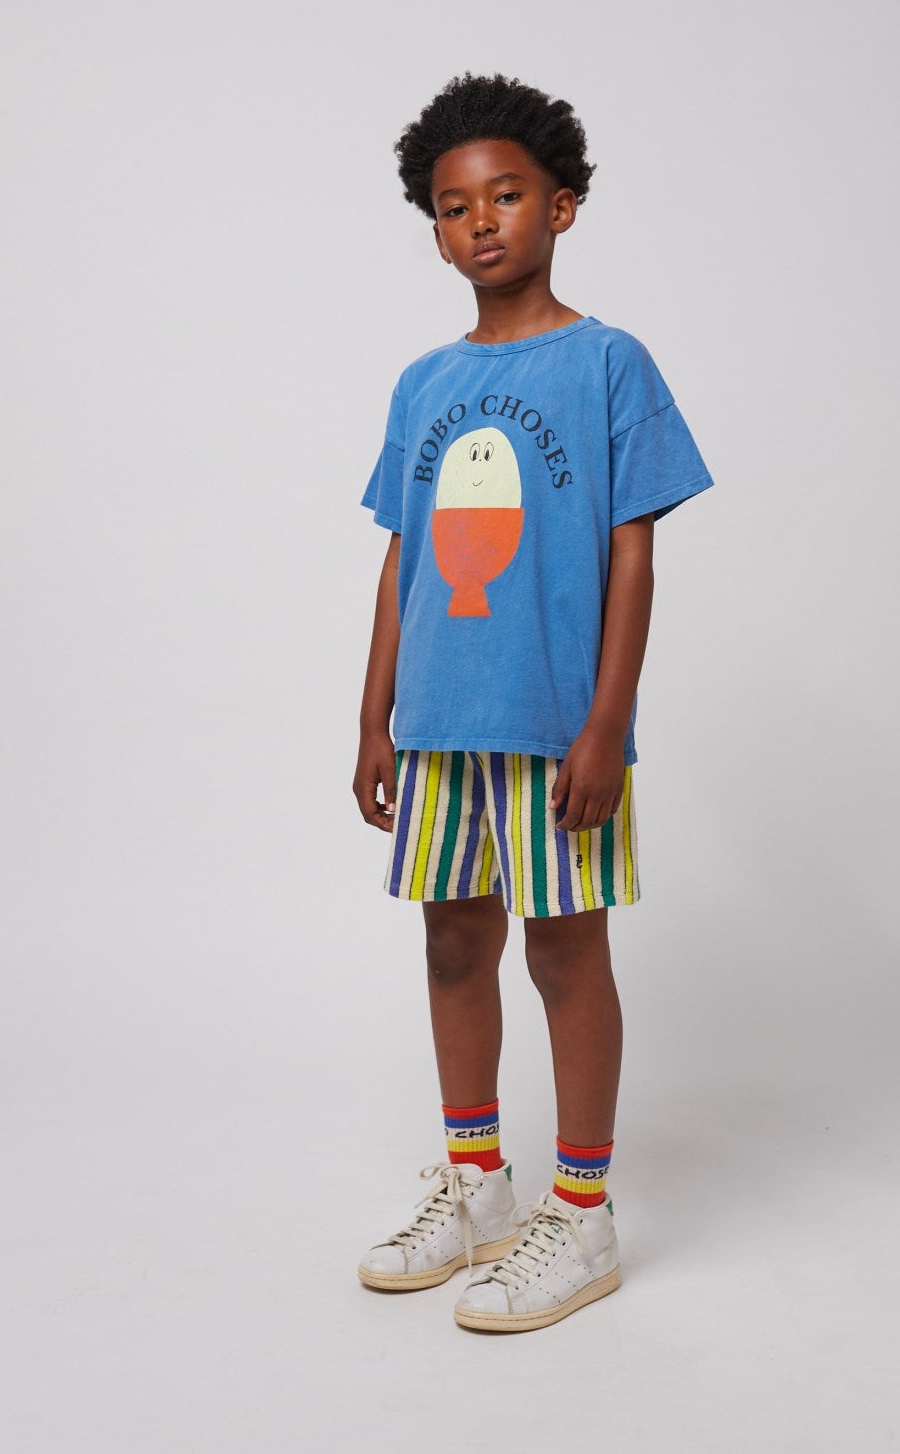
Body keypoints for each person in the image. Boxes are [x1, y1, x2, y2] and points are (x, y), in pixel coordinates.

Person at [352, 71, 714, 1333]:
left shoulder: (610, 365)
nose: (481, 222)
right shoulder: (421, 385)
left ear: (561, 206)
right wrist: (372, 716)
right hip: (440, 728)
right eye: (455, 207)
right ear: (436, 231)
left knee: (565, 952)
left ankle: (582, 1211)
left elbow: (633, 554)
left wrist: (607, 724)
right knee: (453, 942)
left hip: (560, 729)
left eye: (506, 196)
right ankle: (477, 1187)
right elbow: (401, 558)